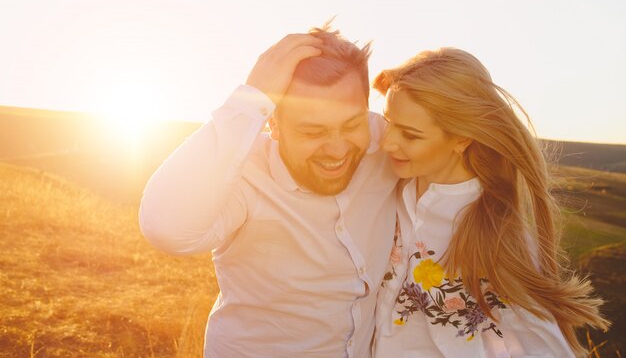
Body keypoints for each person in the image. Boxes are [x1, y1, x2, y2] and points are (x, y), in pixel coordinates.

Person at [139, 25, 398, 358]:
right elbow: (166, 228)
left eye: (351, 124)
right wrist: (251, 97)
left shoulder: (388, 143)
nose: (337, 150)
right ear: (273, 124)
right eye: (312, 131)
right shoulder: (243, 173)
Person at [372, 47, 609, 358]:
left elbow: (540, 344)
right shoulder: (390, 183)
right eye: (390, 122)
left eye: (411, 135)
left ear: (461, 138)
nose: (387, 142)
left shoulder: (495, 230)